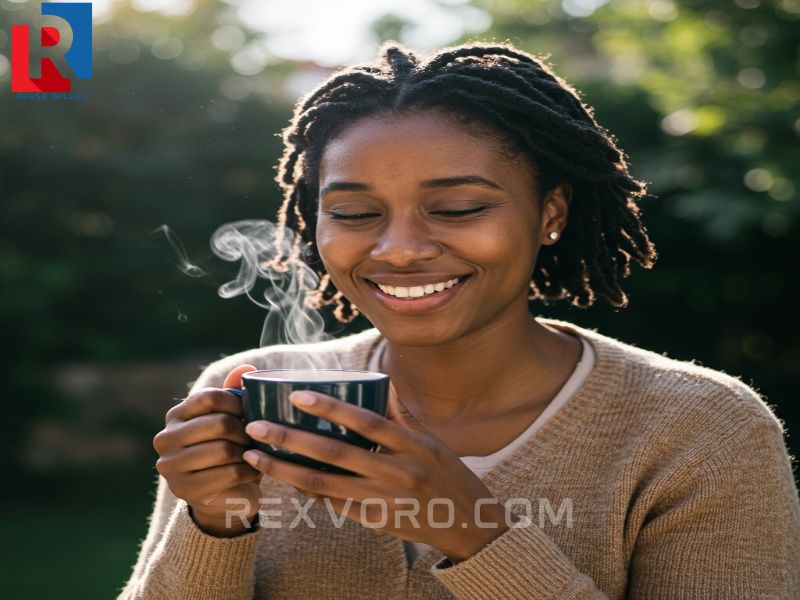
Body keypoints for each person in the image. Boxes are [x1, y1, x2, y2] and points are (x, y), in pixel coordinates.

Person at [118, 41, 800, 599]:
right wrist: (215, 523)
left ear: (551, 213)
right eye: (354, 213)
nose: (399, 249)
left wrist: (476, 535)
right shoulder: (251, 393)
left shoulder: (700, 430)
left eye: (458, 209)